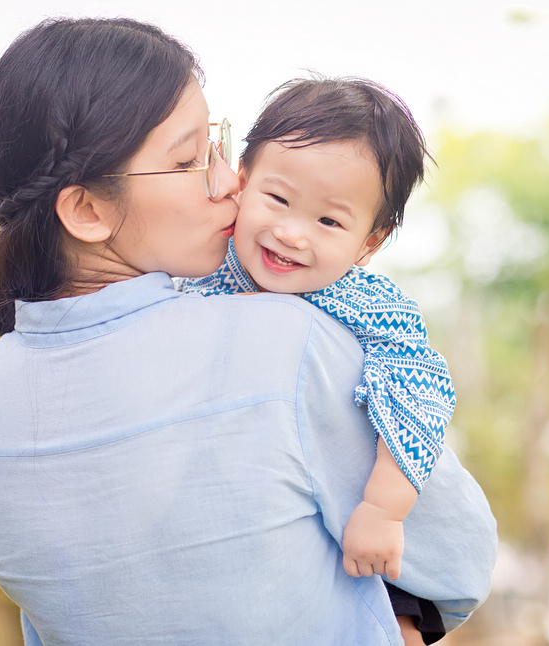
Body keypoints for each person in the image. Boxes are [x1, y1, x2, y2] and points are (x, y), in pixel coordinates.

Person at [0, 16, 497, 646]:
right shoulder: (286, 340)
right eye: (188, 160)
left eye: (217, 146)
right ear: (88, 211)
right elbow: (459, 559)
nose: (230, 180)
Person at [178, 76, 454, 639]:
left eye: (329, 221)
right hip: (237, 523)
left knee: (389, 600)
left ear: (369, 243)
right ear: (243, 182)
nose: (291, 233)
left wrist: (383, 509)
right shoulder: (199, 271)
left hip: (353, 519)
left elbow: (422, 392)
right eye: (277, 199)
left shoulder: (365, 302)